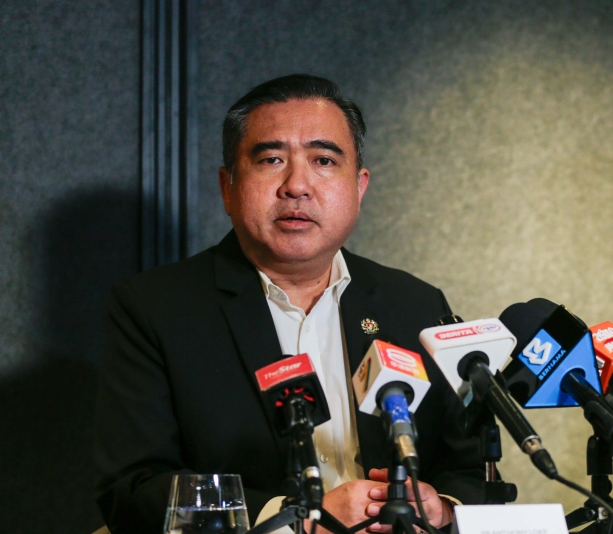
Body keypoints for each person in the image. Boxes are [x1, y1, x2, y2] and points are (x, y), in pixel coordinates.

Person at [94, 75, 483, 534]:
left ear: (359, 187)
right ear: (227, 187)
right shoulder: (156, 308)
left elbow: (470, 466)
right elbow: (134, 489)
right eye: (271, 159)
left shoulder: (414, 303)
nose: (297, 185)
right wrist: (294, 521)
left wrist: (444, 509)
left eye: (323, 160)